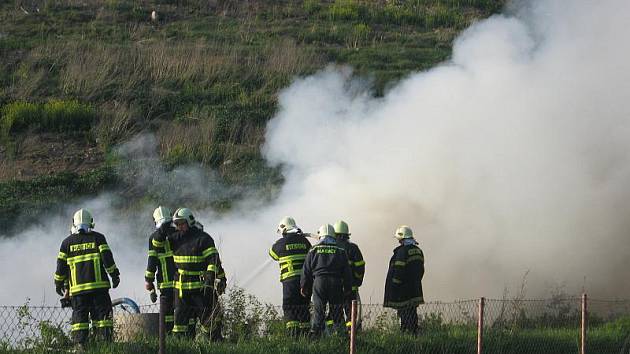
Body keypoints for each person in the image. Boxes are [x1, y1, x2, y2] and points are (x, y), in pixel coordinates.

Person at [54, 209, 120, 346]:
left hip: (78, 293)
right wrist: (114, 275)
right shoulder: (98, 238)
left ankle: (80, 346)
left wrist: (58, 284)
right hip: (99, 290)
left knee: (80, 321)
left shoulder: (66, 243)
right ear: (90, 222)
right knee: (103, 320)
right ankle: (105, 346)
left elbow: (61, 268)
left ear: (74, 223)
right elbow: (108, 260)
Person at [163, 208, 226, 340]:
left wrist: (212, 279)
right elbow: (156, 244)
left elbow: (213, 260)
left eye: (182, 223)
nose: (180, 226)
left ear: (190, 221)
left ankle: (213, 344)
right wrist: (163, 229)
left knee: (208, 320)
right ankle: (180, 347)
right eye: (177, 224)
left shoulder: (203, 239)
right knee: (179, 324)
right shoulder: (174, 239)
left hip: (200, 289)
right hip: (181, 291)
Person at [301, 224, 352, 337]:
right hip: (336, 283)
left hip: (319, 283)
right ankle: (341, 337)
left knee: (319, 311)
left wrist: (304, 286)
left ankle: (316, 337)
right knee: (337, 311)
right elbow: (347, 272)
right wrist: (348, 288)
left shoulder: (313, 250)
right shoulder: (340, 250)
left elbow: (306, 270)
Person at [269, 216, 312, 336]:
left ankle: (293, 336)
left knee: (290, 308)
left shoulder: (280, 244)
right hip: (305, 281)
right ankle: (306, 335)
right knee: (304, 307)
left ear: (283, 230)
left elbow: (272, 254)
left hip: (289, 282)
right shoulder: (305, 241)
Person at [383, 225, 425, 334]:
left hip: (403, 291)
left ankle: (406, 333)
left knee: (404, 313)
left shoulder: (402, 252)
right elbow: (421, 270)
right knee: (412, 312)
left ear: (402, 238)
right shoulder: (418, 251)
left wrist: (394, 286)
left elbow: (398, 270)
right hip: (415, 289)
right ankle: (413, 332)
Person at [144, 206, 177, 332]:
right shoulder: (179, 232)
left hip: (165, 282)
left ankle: (168, 339)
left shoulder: (153, 238)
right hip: (182, 281)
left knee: (167, 313)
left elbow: (152, 261)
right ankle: (185, 338)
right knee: (184, 310)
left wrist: (148, 280)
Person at [333, 220, 365, 330]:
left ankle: (336, 333)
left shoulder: (331, 248)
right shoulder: (353, 248)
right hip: (350, 288)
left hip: (335, 288)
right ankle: (352, 334)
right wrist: (357, 281)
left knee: (335, 312)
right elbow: (360, 267)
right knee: (351, 313)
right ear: (346, 235)